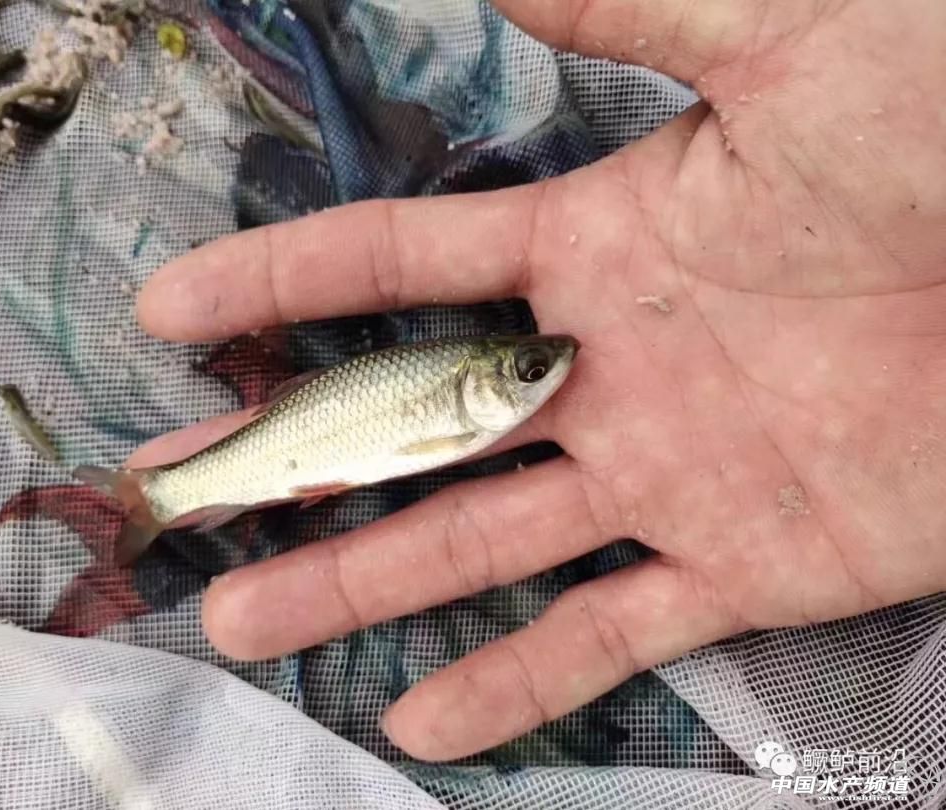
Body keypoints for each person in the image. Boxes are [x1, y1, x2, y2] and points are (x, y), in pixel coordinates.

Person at [130, 0, 946, 762]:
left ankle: (162, 494)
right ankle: (163, 494)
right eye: (530, 369)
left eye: (532, 368)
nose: (552, 371)